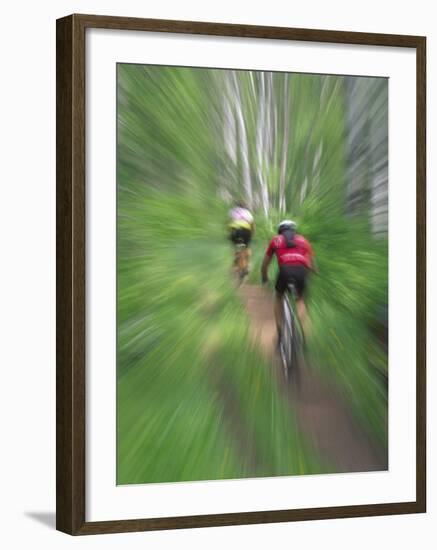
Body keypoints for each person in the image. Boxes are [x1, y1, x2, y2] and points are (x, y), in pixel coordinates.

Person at [261, 219, 315, 343]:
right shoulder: (303, 240)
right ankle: (305, 336)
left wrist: (264, 277)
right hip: (302, 272)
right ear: (294, 230)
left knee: (278, 297)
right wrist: (309, 278)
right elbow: (312, 265)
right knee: (300, 300)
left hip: (285, 271)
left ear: (280, 231)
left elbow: (265, 264)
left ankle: (280, 334)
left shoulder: (276, 240)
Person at [228, 201, 255, 276]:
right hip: (246, 231)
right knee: (246, 247)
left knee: (236, 247)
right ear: (245, 207)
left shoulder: (232, 211)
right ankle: (247, 266)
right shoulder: (248, 213)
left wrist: (230, 233)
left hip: (235, 230)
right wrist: (252, 233)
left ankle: (236, 260)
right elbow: (252, 225)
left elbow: (230, 222)